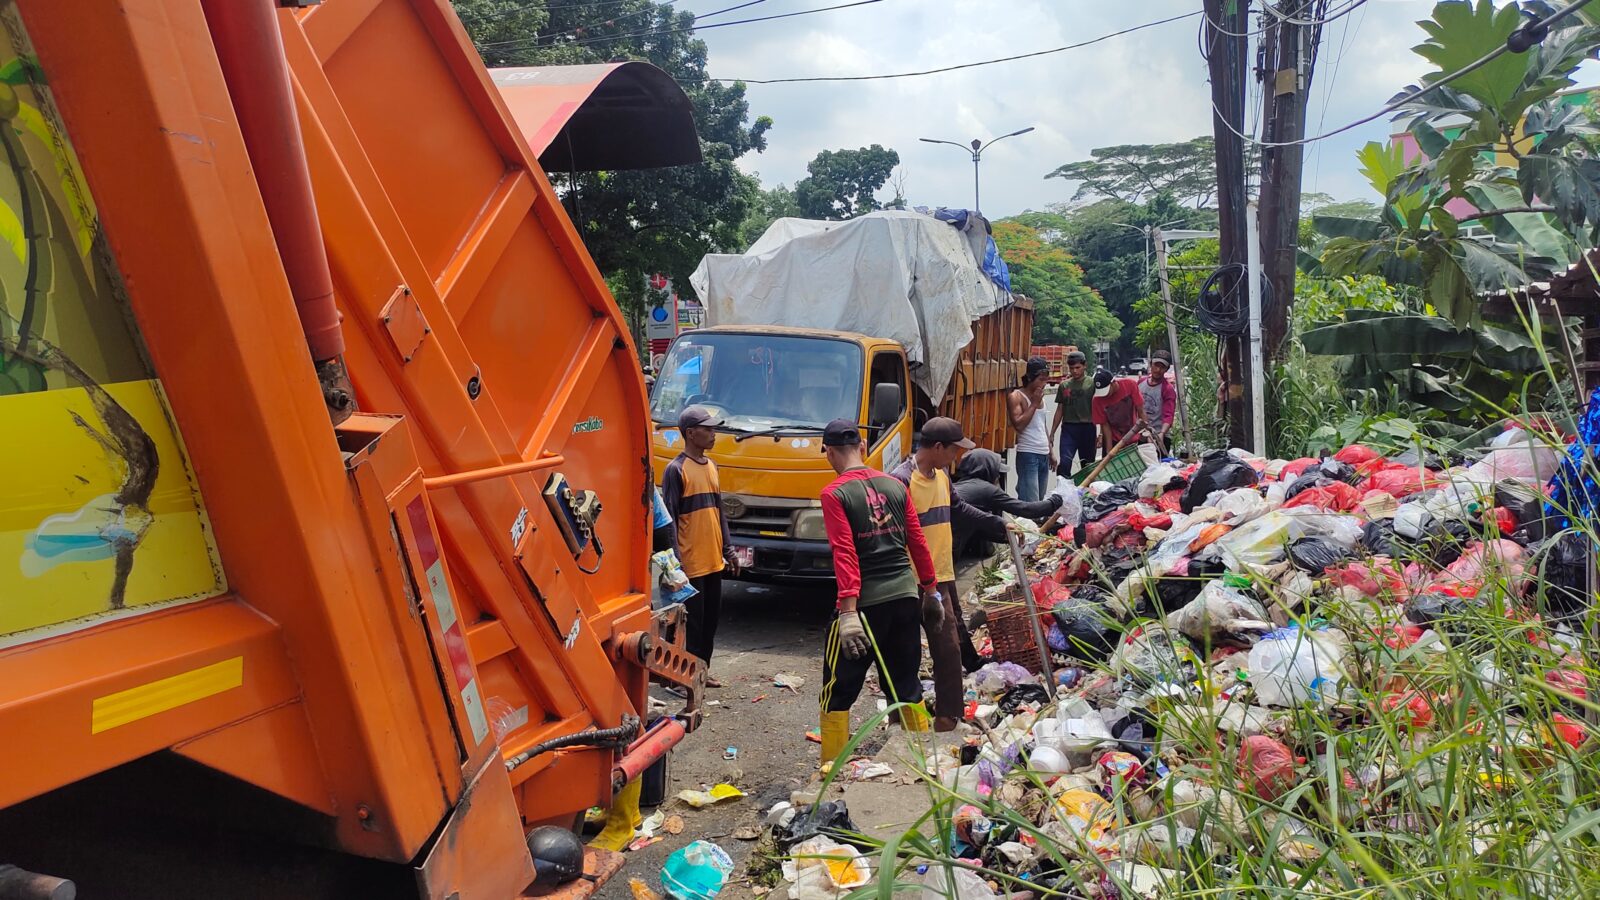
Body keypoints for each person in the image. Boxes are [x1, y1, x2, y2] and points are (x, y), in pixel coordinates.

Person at [817, 418, 940, 765]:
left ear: (828, 453)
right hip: (905, 598)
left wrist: (848, 612)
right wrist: (931, 592)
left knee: (837, 693)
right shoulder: (896, 485)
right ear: (863, 448)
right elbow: (916, 541)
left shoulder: (835, 493)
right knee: (906, 685)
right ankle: (921, 764)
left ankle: (832, 772)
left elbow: (845, 552)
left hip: (866, 605)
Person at [891, 417, 1010, 731]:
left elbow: (959, 509)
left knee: (948, 647)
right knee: (906, 651)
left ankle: (947, 718)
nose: (958, 456)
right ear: (938, 447)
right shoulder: (901, 481)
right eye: (955, 450)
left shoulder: (942, 475)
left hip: (941, 575)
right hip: (909, 580)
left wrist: (999, 525)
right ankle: (902, 718)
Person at [661, 405, 739, 687]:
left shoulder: (712, 467)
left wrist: (729, 550)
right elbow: (669, 520)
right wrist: (675, 564)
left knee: (709, 625)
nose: (713, 433)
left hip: (712, 561)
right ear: (691, 433)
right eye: (707, 429)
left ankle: (702, 673)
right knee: (690, 626)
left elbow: (719, 513)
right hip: (690, 564)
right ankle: (683, 679)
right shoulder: (676, 470)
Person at [952, 449, 1062, 559]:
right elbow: (1026, 509)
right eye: (997, 472)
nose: (999, 477)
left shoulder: (961, 485)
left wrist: (1006, 535)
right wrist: (1057, 500)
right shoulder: (985, 488)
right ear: (986, 469)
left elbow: (981, 526)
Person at [1008, 357, 1052, 502]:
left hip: (1043, 453)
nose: (1044, 384)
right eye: (1041, 379)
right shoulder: (1016, 396)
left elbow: (1042, 424)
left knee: (1039, 502)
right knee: (1030, 503)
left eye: (1046, 380)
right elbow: (1019, 426)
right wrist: (1034, 403)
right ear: (1029, 377)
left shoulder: (1040, 397)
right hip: (1028, 454)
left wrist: (1051, 451)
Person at [1050, 351, 1096, 478]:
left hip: (1088, 428)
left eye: (1077, 368)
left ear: (1085, 366)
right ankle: (1064, 491)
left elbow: (1101, 408)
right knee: (1065, 463)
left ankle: (1086, 493)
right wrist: (1052, 432)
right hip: (1069, 429)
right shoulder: (1064, 385)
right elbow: (1060, 409)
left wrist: (1101, 432)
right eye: (1071, 368)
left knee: (1088, 466)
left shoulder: (1092, 384)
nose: (1075, 371)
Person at [1091, 369, 1146, 457]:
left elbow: (1141, 410)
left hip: (1133, 436)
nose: (1105, 395)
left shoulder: (1129, 385)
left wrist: (1145, 432)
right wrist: (1109, 450)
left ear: (1113, 382)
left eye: (1106, 390)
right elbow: (1105, 425)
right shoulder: (1097, 400)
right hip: (1113, 439)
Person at [1139, 356, 1178, 456]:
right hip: (1140, 434)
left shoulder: (1167, 389)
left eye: (1162, 367)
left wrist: (1161, 434)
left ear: (1166, 369)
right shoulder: (1141, 383)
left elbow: (1169, 415)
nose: (1158, 370)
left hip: (1159, 435)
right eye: (1156, 365)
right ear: (1151, 365)